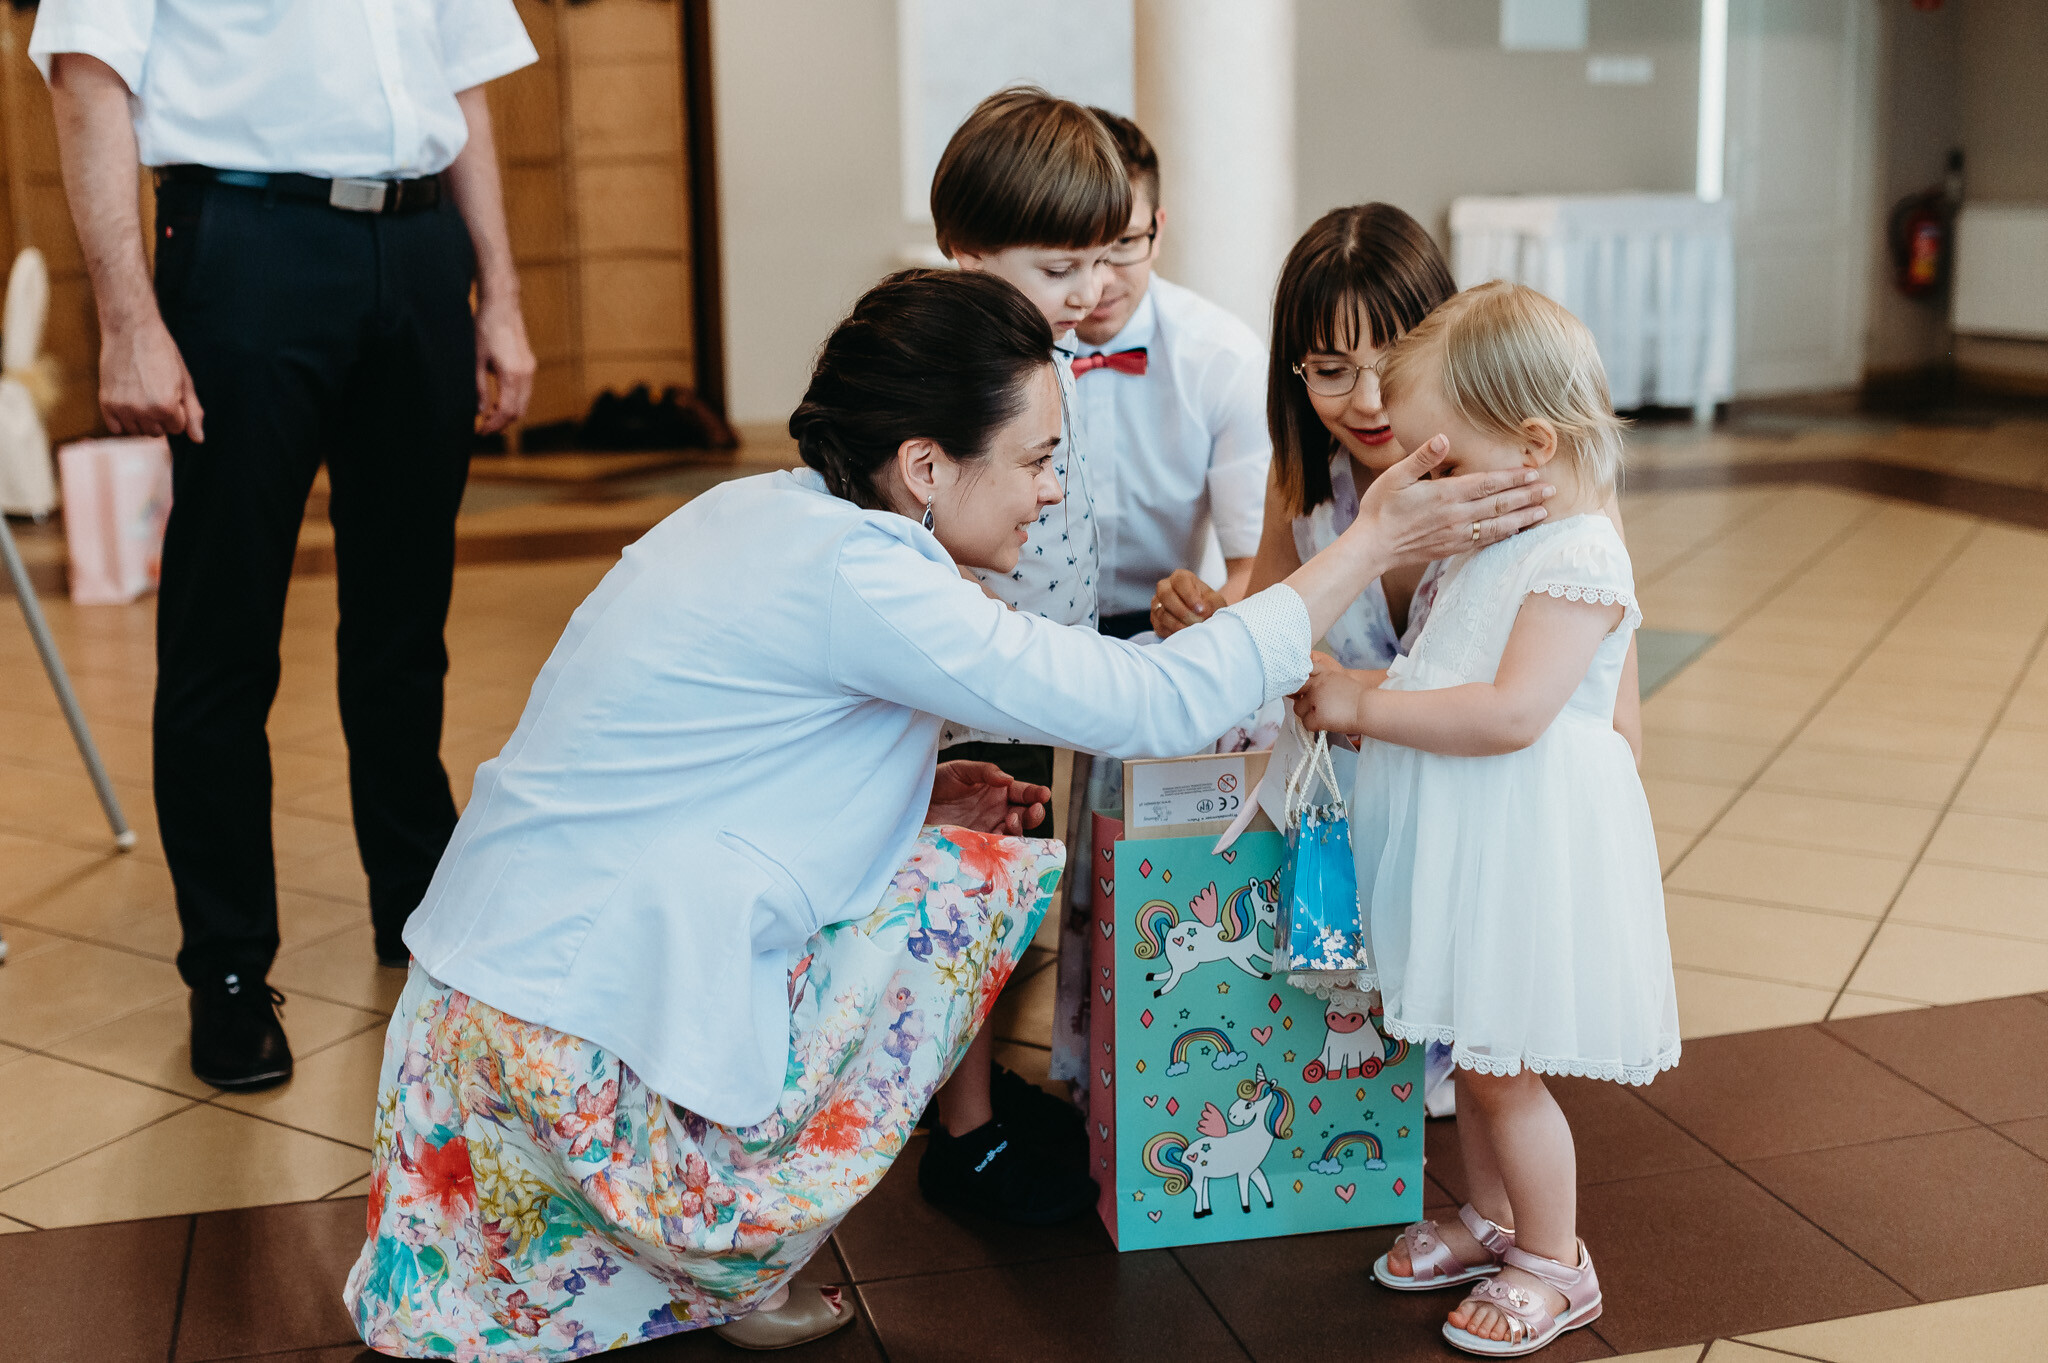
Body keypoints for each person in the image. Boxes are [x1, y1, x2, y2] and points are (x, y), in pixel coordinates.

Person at [344, 269, 1556, 1355]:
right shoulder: (866, 573)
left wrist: (913, 793)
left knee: (945, 849)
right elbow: (1148, 701)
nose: (1051, 490)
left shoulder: (757, 512)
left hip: (484, 995)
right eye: (1034, 459)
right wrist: (1368, 543)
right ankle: (713, 1239)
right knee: (957, 892)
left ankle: (703, 1260)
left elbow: (698, 765)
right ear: (926, 467)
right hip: (560, 1035)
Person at [31, 1, 539, 1092]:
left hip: (420, 246)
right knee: (223, 633)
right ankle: (226, 967)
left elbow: (465, 81)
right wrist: (127, 320)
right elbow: (85, 76)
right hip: (246, 245)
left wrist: (497, 293)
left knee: (406, 623)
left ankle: (417, 903)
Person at [1292, 281, 1677, 1358]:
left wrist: (1364, 705)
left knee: (1506, 1067)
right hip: (1465, 835)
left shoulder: (1579, 552)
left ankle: (1555, 1260)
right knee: (1469, 1045)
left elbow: (1511, 713)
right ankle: (1492, 1218)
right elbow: (1445, 675)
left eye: (1444, 462)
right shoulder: (1492, 539)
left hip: (1517, 846)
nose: (1431, 484)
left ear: (1532, 446)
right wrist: (1355, 690)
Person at [920, 86, 1127, 1219]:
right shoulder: (956, 369)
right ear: (967, 256)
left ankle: (976, 1095)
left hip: (1028, 677)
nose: (1090, 289)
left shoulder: (1031, 349)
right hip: (972, 688)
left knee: (1011, 906)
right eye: (1059, 267)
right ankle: (964, 1135)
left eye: (1100, 259)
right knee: (970, 906)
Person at [1073, 109, 1268, 640]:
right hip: (1020, 624)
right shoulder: (991, 353)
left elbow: (1254, 567)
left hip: (1171, 636)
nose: (1100, 281)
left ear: (1157, 230)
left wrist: (1201, 619)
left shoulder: (1224, 358)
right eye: (1077, 251)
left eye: (1124, 244)